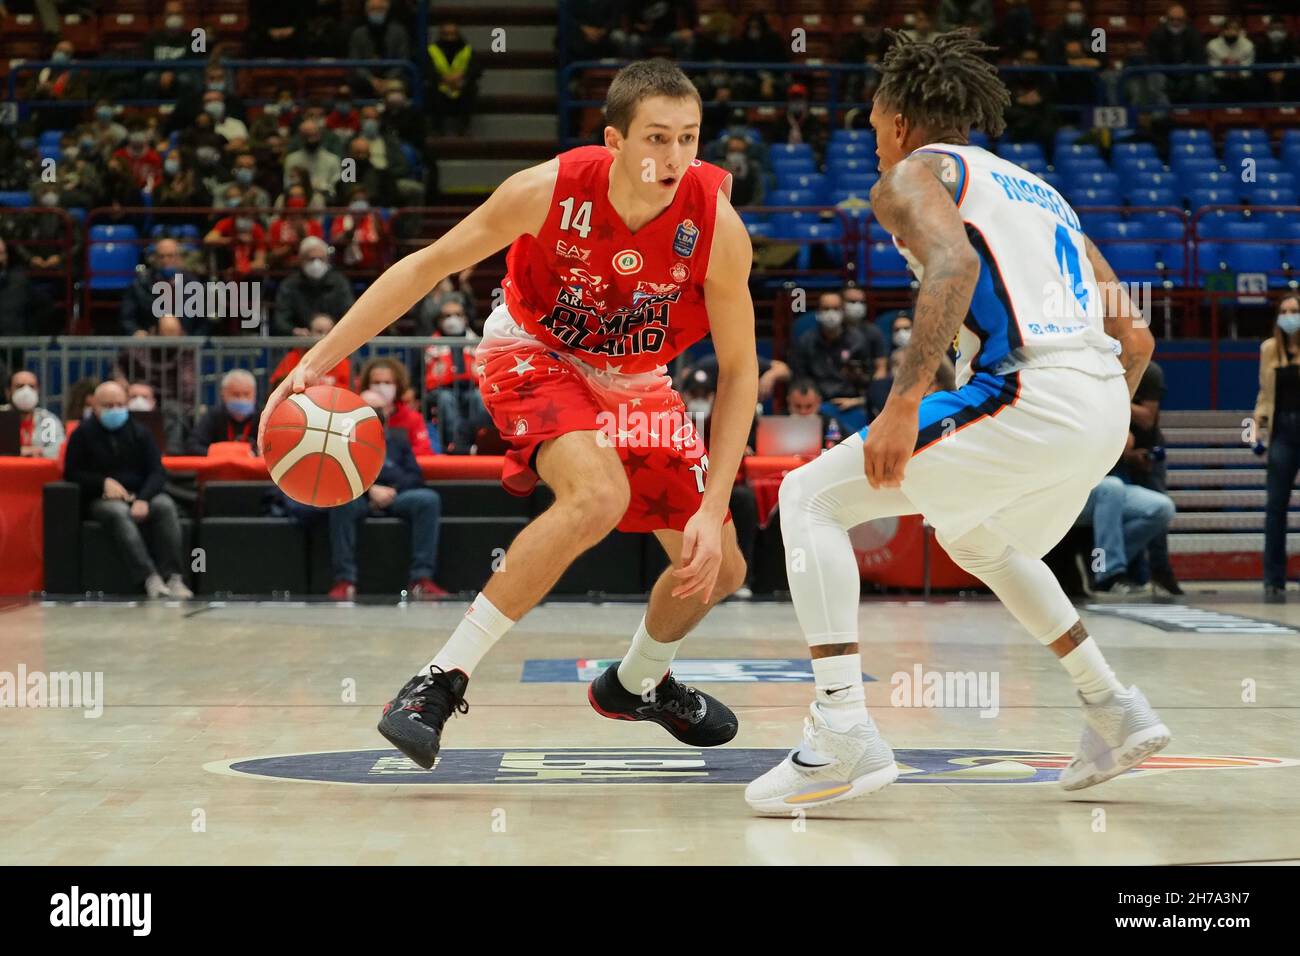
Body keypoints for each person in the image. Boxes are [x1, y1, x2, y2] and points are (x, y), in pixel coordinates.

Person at [259, 58, 756, 771]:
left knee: (719, 566)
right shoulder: (548, 191)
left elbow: (739, 372)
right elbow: (425, 265)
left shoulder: (716, 225)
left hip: (635, 376)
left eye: (688, 138)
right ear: (615, 141)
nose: (673, 157)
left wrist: (712, 508)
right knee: (598, 495)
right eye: (655, 138)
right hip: (532, 349)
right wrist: (316, 360)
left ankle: (638, 683)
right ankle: (438, 680)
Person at [745, 30, 1170, 814]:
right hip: (1104, 399)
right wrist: (1090, 414)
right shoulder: (1043, 192)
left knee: (807, 499)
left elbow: (954, 265)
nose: (872, 142)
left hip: (1028, 390)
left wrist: (904, 402)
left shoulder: (914, 173)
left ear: (900, 121)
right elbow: (1135, 336)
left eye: (873, 125)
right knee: (979, 538)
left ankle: (841, 728)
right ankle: (1112, 705)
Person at [63, 381, 193, 599]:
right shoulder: (81, 435)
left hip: (140, 494)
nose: (115, 410)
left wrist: (143, 499)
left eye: (119, 404)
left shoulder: (140, 432)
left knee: (165, 505)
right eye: (108, 405)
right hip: (102, 499)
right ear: (95, 406)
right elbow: (72, 472)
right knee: (118, 513)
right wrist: (102, 482)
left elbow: (157, 472)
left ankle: (174, 577)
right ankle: (149, 577)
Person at [319, 388, 447, 600]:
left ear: (386, 412)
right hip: (359, 497)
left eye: (376, 409)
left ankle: (421, 579)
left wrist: (392, 491)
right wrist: (370, 490)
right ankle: (345, 581)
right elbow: (338, 475)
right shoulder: (341, 441)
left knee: (428, 500)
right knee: (341, 502)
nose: (372, 413)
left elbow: (415, 475)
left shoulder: (398, 439)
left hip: (395, 496)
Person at [1118, 360, 1182, 594]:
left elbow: (1146, 418)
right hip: (1115, 455)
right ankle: (1123, 574)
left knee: (1157, 511)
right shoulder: (1103, 365)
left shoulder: (1150, 371)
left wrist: (1113, 395)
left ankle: (1160, 571)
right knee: (1114, 513)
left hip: (1147, 452)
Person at [1256, 293, 1300, 597]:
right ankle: (1274, 579)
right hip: (1282, 429)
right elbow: (1264, 396)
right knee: (1275, 507)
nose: (1289, 315)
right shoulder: (1268, 350)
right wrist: (1254, 431)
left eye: (1294, 310)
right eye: (1284, 311)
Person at [272, 237, 355, 335]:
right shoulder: (289, 285)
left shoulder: (340, 283)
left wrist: (334, 331)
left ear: (327, 259)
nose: (316, 263)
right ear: (301, 260)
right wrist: (294, 331)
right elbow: (281, 320)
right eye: (311, 259)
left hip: (335, 340)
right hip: (300, 344)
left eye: (321, 258)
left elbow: (350, 315)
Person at [187, 369, 260, 454]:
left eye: (246, 394)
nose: (242, 399)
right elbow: (192, 445)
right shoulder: (214, 416)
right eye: (236, 394)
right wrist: (219, 453)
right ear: (224, 394)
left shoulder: (263, 417)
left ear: (254, 394)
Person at [1, 370, 64, 458]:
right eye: (20, 386)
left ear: (37, 391)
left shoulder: (47, 420)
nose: (26, 392)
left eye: (31, 387)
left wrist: (36, 452)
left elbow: (57, 449)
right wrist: (20, 451)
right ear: (8, 392)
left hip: (39, 471)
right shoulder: (1, 416)